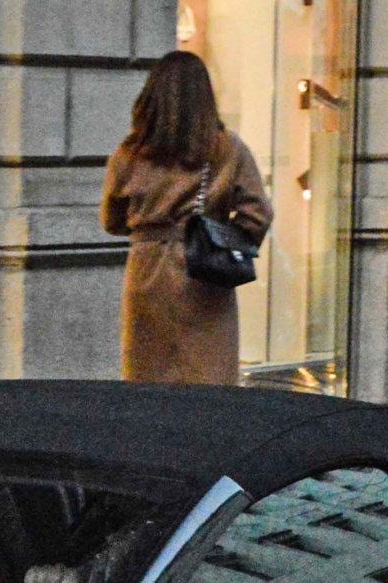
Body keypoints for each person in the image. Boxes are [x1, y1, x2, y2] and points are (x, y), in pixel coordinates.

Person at [101, 51, 271, 385]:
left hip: (146, 272)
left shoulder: (128, 154)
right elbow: (258, 213)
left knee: (149, 379)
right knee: (208, 379)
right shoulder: (226, 148)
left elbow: (112, 220)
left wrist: (149, 230)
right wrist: (223, 237)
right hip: (204, 272)